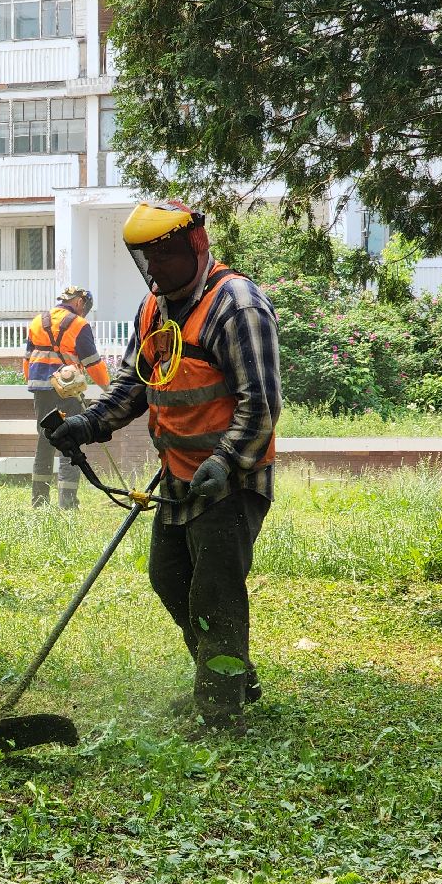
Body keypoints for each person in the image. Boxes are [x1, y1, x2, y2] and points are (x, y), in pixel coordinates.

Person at [49, 201, 281, 729]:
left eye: (164, 257)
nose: (154, 270)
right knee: (169, 577)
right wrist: (88, 424)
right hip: (178, 474)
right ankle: (230, 676)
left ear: (194, 249)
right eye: (146, 259)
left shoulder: (237, 305)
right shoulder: (154, 310)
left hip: (232, 477)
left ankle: (221, 711)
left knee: (214, 590)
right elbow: (134, 385)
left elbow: (261, 403)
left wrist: (224, 462)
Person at [23, 285, 111, 509]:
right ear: (80, 303)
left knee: (45, 441)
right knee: (70, 441)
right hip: (67, 390)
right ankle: (68, 502)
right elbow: (92, 362)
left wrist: (34, 384)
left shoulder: (36, 321)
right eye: (85, 309)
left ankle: (39, 502)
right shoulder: (79, 324)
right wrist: (108, 388)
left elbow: (27, 360)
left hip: (41, 389)